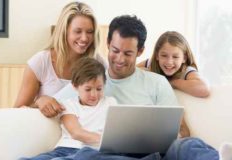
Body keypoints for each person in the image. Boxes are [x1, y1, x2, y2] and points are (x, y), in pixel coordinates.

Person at [69, 15, 219, 160]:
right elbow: (57, 101)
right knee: (86, 155)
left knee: (187, 145)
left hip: (158, 153)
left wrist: (157, 140)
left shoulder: (157, 82)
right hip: (112, 155)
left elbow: (183, 131)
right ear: (108, 44)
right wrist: (44, 100)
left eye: (128, 53)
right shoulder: (90, 83)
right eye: (115, 50)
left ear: (140, 51)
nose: (120, 59)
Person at [14, 2, 103, 117]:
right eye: (78, 31)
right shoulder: (40, 62)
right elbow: (16, 112)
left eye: (90, 32)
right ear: (64, 31)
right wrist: (39, 102)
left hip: (83, 133)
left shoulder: (98, 63)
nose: (85, 38)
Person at [20, 57, 117, 160]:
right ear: (75, 86)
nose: (94, 94)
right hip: (67, 149)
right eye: (88, 89)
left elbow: (117, 129)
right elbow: (76, 133)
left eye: (99, 89)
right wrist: (106, 141)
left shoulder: (110, 102)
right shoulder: (69, 105)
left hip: (96, 152)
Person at [137, 31, 210, 98]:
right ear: (157, 56)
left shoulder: (187, 70)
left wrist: (169, 82)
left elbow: (203, 89)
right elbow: (130, 73)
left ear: (184, 58)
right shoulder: (151, 63)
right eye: (164, 56)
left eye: (175, 57)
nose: (169, 62)